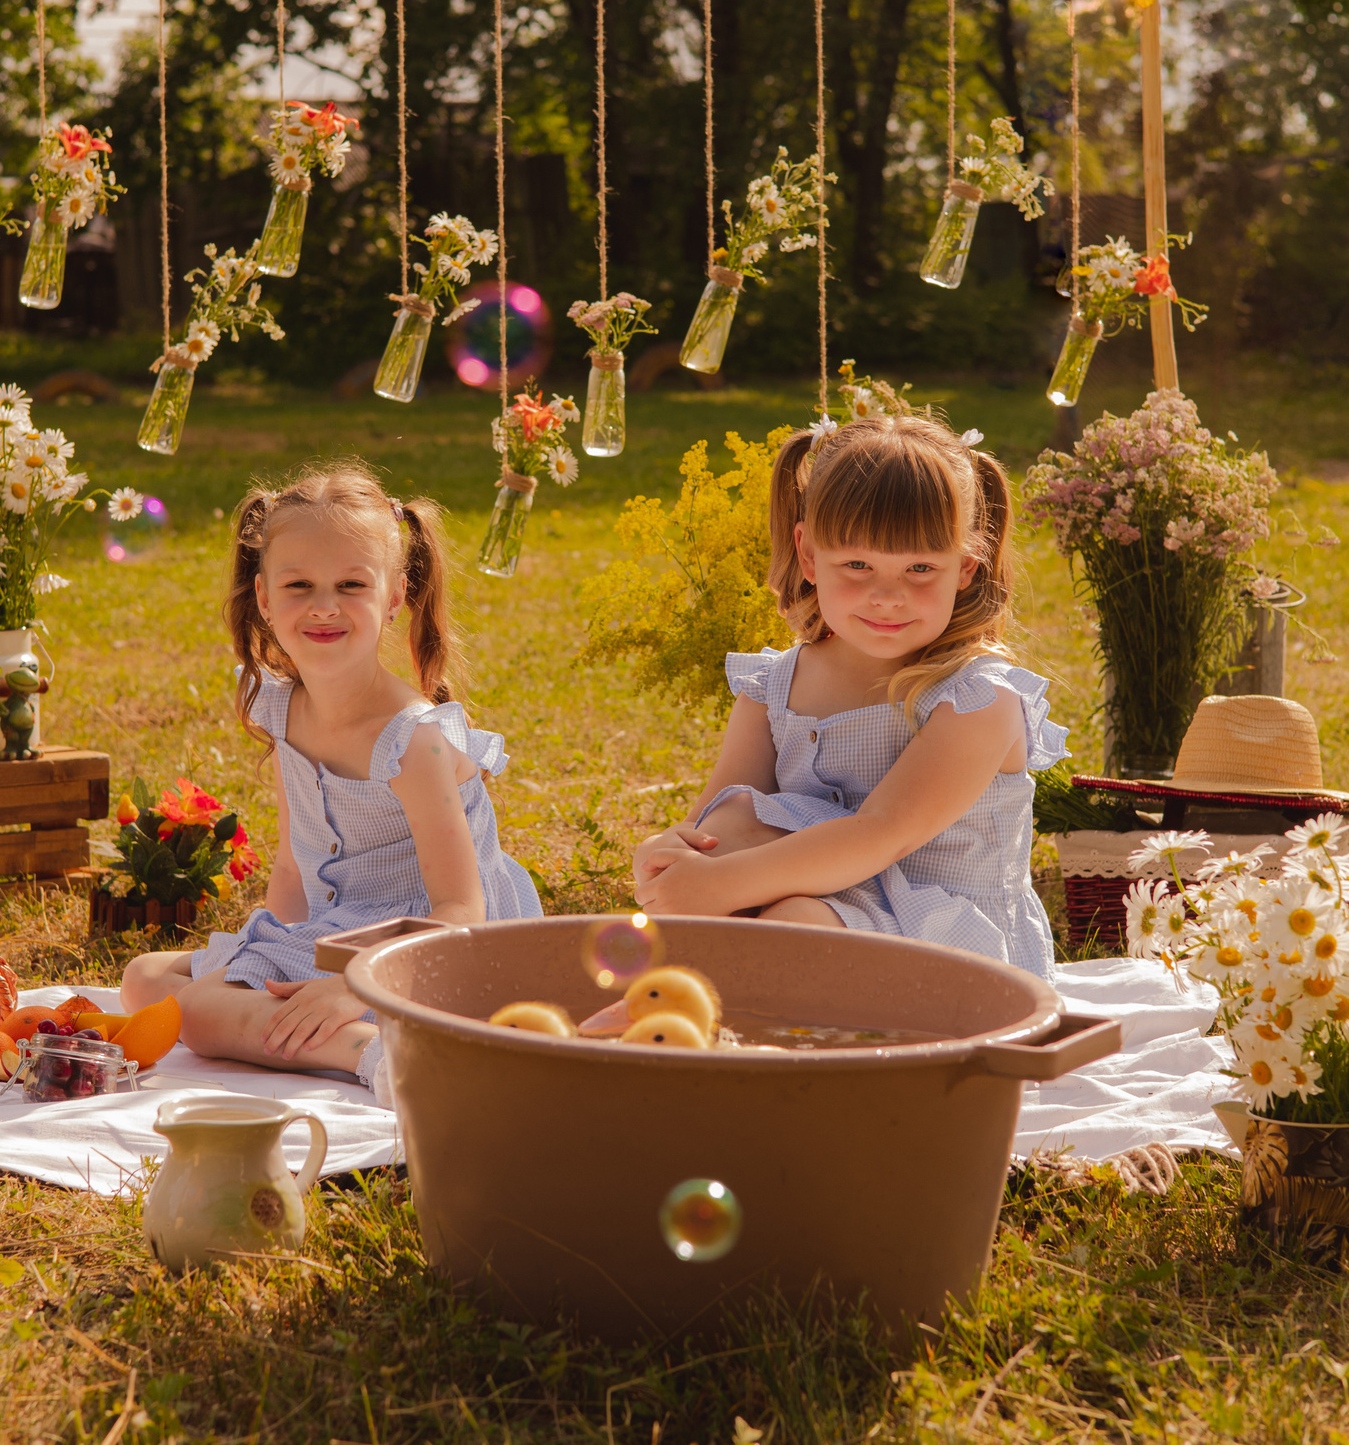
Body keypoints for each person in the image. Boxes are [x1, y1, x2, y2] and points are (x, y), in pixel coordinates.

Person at [120, 463, 540, 1090]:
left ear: (393, 595)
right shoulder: (285, 707)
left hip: (430, 948)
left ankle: (367, 1051)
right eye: (299, 585)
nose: (323, 606)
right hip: (341, 929)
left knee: (198, 1016)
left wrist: (348, 986)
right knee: (145, 980)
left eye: (351, 584)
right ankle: (325, 1030)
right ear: (263, 597)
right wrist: (269, 965)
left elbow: (460, 909)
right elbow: (291, 868)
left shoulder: (411, 740)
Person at [631, 414, 1066, 978]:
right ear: (809, 556)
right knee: (734, 819)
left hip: (944, 935)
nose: (888, 596)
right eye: (857, 565)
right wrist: (672, 858)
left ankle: (743, 1024)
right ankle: (687, 1008)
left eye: (920, 568)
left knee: (792, 919)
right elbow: (713, 828)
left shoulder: (977, 700)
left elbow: (878, 834)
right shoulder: (773, 689)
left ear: (964, 568)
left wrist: (721, 884)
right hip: (821, 899)